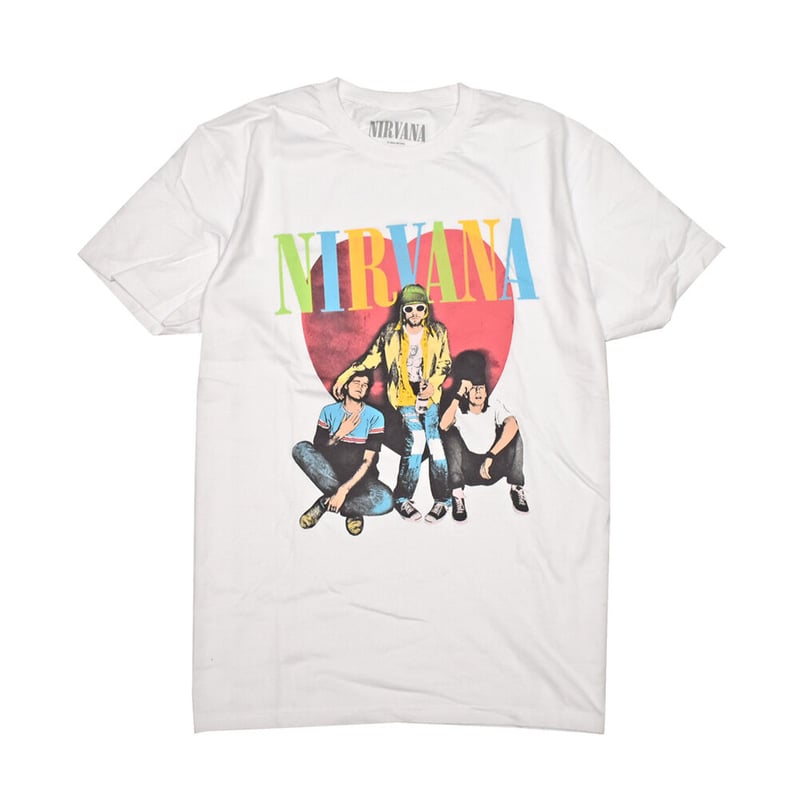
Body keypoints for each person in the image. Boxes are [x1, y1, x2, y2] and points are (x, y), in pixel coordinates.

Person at [333, 284, 451, 523]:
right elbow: (371, 359)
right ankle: (403, 498)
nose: (415, 313)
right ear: (403, 310)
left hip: (430, 397)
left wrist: (434, 384)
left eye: (419, 308)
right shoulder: (390, 334)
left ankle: (443, 500)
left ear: (426, 309)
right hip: (404, 396)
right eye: (409, 309)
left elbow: (445, 363)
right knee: (417, 440)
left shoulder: (438, 331)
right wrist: (346, 375)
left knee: (436, 445)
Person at [292, 372, 393, 536]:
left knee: (386, 501)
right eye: (357, 382)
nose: (361, 387)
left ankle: (326, 503)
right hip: (330, 473)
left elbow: (368, 461)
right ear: (346, 385)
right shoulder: (329, 411)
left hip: (362, 479)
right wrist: (340, 433)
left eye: (365, 385)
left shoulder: (375, 417)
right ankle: (353, 509)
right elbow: (319, 448)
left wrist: (343, 491)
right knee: (300, 449)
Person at [440, 363, 529, 522]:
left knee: (513, 432)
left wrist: (490, 456)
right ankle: (457, 494)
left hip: (492, 466)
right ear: (466, 393)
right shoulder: (459, 411)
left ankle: (516, 487)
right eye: (474, 389)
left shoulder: (494, 406)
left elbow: (512, 424)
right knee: (450, 435)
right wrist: (459, 394)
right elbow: (443, 425)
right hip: (468, 471)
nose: (478, 392)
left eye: (481, 388)